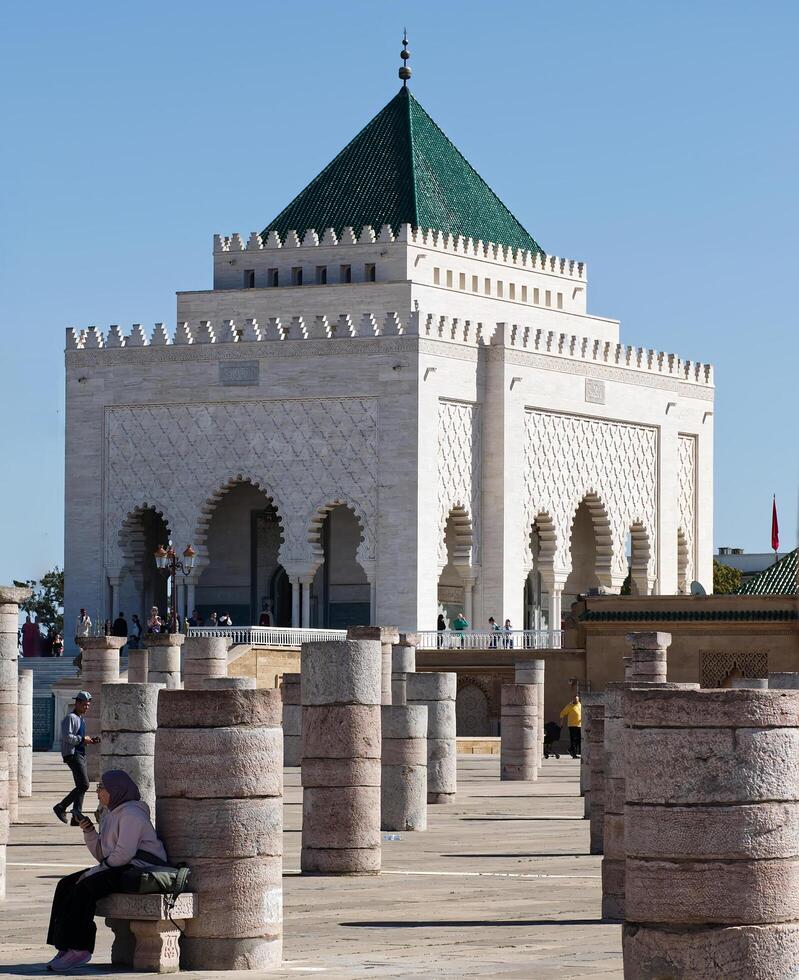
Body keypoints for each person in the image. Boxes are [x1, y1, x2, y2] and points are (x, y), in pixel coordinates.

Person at [45, 770, 168, 972]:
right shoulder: (111, 813)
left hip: (140, 870)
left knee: (85, 887)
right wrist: (90, 832)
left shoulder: (132, 814)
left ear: (116, 790)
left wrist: (93, 872)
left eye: (102, 787)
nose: (98, 792)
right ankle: (64, 946)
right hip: (121, 867)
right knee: (66, 884)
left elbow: (123, 855)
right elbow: (104, 855)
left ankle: (80, 948)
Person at [54, 692, 98, 826]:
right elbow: (67, 736)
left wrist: (88, 741)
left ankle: (76, 815)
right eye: (84, 705)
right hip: (73, 755)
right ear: (77, 703)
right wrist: (81, 739)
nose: (86, 707)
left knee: (80, 786)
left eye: (88, 705)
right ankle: (61, 807)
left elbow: (77, 738)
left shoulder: (80, 719)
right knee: (84, 784)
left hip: (80, 753)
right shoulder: (70, 718)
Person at [559, 694, 582, 758]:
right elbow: (562, 713)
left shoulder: (580, 705)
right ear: (573, 699)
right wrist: (561, 723)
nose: (576, 700)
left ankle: (571, 749)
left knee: (579, 739)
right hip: (572, 725)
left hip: (579, 725)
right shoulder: (569, 706)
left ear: (578, 700)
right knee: (573, 739)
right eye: (575, 699)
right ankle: (574, 754)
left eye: (577, 699)